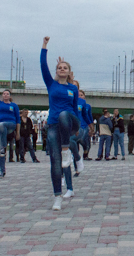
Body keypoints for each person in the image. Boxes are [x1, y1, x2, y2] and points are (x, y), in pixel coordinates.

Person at [41, 37, 80, 210]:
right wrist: (44, 46)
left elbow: (75, 108)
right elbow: (43, 65)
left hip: (70, 121)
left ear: (69, 72)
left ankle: (66, 150)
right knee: (55, 163)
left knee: (64, 114)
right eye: (59, 67)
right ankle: (57, 196)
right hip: (54, 126)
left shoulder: (73, 89)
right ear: (56, 71)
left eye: (65, 67)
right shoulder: (51, 85)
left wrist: (78, 128)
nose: (62, 69)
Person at [0, 70, 20, 179]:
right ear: (2, 96)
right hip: (1, 128)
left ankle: (3, 146)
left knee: (1, 125)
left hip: (10, 125)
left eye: (7, 93)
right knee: (0, 149)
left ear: (10, 96)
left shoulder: (14, 106)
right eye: (4, 93)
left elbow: (18, 120)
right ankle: (2, 170)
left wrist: (18, 133)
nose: (5, 95)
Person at [79, 90, 94, 161]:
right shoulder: (73, 103)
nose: (80, 96)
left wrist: (91, 127)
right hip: (78, 126)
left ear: (84, 96)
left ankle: (85, 155)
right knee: (78, 141)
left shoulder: (87, 106)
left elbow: (89, 116)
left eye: (81, 95)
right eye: (78, 95)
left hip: (85, 126)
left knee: (86, 142)